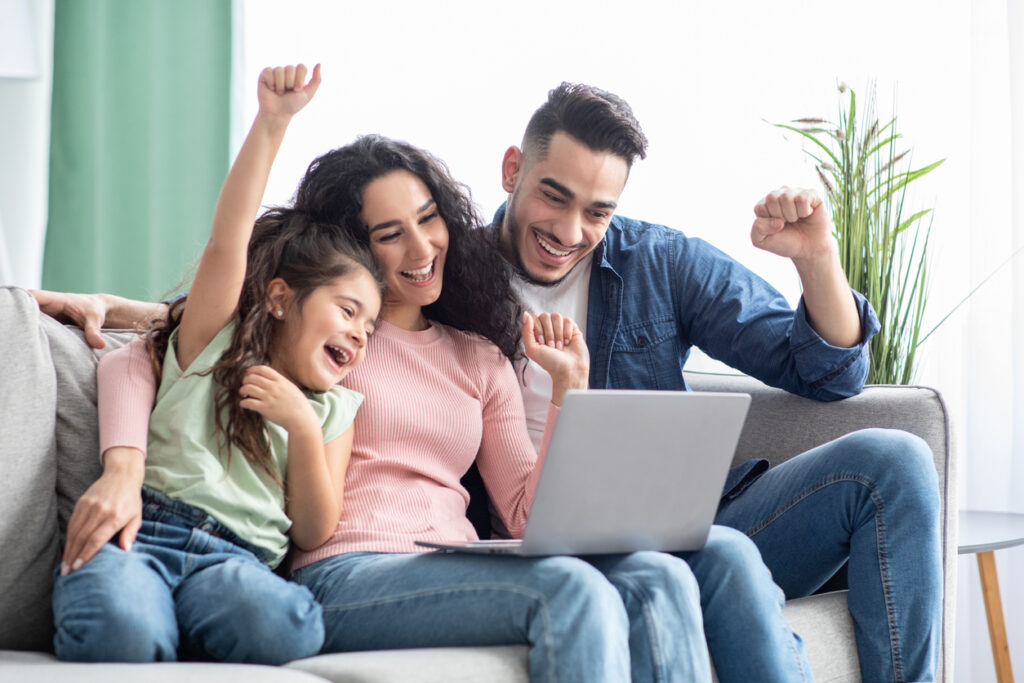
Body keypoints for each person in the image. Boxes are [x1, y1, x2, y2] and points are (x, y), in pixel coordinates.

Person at [64, 130, 814, 680]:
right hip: (348, 567)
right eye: (389, 234)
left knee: (661, 575)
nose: (423, 246)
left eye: (429, 218)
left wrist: (567, 393)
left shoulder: (479, 354)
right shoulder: (315, 333)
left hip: (457, 558)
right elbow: (165, 351)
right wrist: (113, 325)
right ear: (350, 245)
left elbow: (524, 514)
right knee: (571, 588)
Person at [489, 83, 942, 683]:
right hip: (532, 549)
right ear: (512, 170)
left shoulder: (657, 261)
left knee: (895, 460)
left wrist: (816, 259)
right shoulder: (447, 277)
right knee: (725, 556)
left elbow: (829, 372)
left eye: (598, 212)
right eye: (555, 197)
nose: (570, 231)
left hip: (685, 526)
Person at [51, 64, 384, 664]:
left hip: (236, 562)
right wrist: (272, 123)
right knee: (120, 627)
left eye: (370, 328)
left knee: (290, 627)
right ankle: (150, 615)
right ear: (281, 299)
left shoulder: (334, 410)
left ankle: (176, 621)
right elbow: (227, 242)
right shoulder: (213, 341)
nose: (360, 335)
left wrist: (302, 427)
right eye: (349, 310)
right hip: (144, 532)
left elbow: (312, 530)